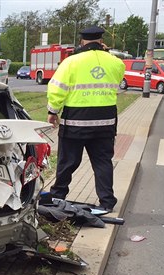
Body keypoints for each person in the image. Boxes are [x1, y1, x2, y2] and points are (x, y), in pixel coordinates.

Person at [46, 26, 125, 212]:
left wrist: (53, 111)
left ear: (82, 41)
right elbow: (117, 81)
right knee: (102, 162)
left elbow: (57, 88)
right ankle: (106, 202)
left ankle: (58, 196)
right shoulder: (116, 62)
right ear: (101, 41)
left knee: (68, 161)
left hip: (75, 122)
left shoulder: (71, 62)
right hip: (105, 122)